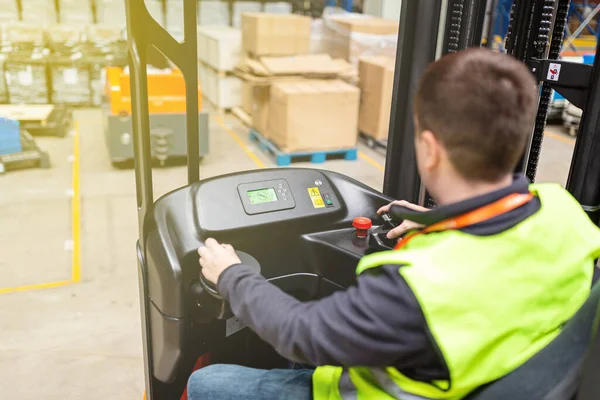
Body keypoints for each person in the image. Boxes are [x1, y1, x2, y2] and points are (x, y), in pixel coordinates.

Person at [187, 48, 600, 400]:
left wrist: (231, 274)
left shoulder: (415, 290)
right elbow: (507, 247)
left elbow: (301, 333)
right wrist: (439, 223)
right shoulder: (566, 214)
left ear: (429, 149)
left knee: (207, 382)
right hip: (479, 372)